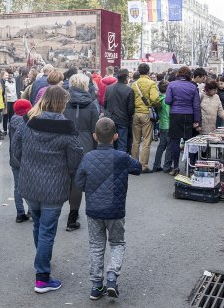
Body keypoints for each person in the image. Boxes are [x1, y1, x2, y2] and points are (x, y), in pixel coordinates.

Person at [13, 86, 83, 293]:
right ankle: (42, 277)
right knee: (47, 232)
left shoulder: (28, 122)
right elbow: (75, 160)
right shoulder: (67, 129)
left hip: (29, 184)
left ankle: (41, 260)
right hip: (54, 186)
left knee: (38, 225)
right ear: (62, 104)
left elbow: (16, 152)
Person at [75, 117, 142, 300]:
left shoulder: (88, 157)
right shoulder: (121, 157)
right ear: (115, 136)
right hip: (116, 209)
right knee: (117, 243)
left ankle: (96, 286)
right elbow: (137, 168)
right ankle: (112, 276)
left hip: (94, 210)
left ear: (95, 136)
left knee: (96, 246)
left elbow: (79, 182)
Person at [62, 73, 99, 232]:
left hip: (65, 142)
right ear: (85, 85)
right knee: (78, 180)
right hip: (85, 144)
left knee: (66, 178)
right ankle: (73, 214)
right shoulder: (91, 104)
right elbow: (95, 130)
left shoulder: (64, 102)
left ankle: (57, 208)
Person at [165, 67, 201, 176]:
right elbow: (196, 105)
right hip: (189, 115)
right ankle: (189, 168)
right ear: (189, 75)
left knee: (175, 142)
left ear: (178, 74)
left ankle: (175, 167)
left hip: (176, 115)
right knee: (189, 143)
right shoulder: (193, 87)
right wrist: (197, 120)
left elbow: (168, 101)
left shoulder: (171, 85)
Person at [131, 63, 160, 172]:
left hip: (136, 113)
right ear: (148, 72)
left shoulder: (134, 84)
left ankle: (134, 164)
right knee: (147, 141)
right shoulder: (151, 83)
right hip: (146, 114)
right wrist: (157, 106)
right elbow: (155, 99)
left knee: (136, 141)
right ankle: (143, 166)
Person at [9, 99, 32, 223]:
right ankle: (31, 210)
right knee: (30, 184)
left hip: (14, 158)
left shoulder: (12, 121)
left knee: (17, 186)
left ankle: (20, 213)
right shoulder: (28, 122)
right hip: (27, 158)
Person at [103, 69, 135, 153]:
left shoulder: (109, 88)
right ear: (126, 78)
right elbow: (131, 109)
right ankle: (121, 164)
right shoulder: (129, 90)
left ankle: (111, 162)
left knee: (110, 143)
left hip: (110, 119)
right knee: (122, 144)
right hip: (123, 120)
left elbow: (105, 104)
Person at [152, 80, 172, 173]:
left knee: (161, 146)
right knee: (169, 147)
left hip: (162, 125)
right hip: (168, 125)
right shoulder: (166, 100)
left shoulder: (158, 99)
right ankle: (166, 166)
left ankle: (156, 165)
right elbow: (168, 114)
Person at [1, 70, 18, 136]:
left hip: (14, 100)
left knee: (12, 116)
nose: (10, 76)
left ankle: (11, 129)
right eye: (8, 74)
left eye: (11, 74)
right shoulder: (4, 82)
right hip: (7, 100)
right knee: (5, 115)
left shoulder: (15, 81)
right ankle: (5, 130)